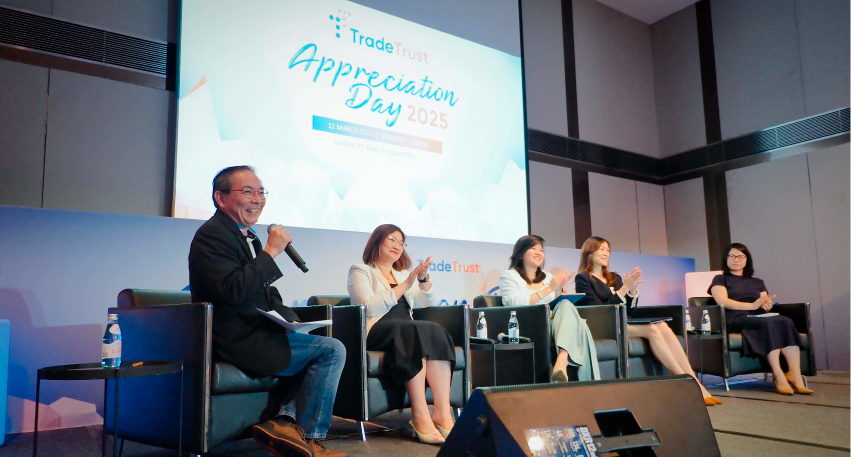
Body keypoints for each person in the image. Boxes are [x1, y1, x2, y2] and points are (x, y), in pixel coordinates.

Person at [188, 166, 347, 457]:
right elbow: (232, 291)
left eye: (261, 192)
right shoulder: (211, 235)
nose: (257, 199)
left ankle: (287, 425)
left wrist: (291, 321)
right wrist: (271, 252)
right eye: (247, 192)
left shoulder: (247, 236)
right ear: (220, 198)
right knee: (331, 350)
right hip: (234, 338)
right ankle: (304, 436)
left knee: (323, 344)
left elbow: (265, 292)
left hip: (258, 332)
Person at [574, 236, 720, 406]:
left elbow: (630, 310)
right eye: (601, 249)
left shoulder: (615, 278)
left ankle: (695, 381)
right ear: (589, 253)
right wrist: (624, 289)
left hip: (624, 321)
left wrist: (633, 291)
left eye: (607, 249)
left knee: (663, 326)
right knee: (651, 329)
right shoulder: (583, 279)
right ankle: (686, 382)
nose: (606, 253)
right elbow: (600, 311)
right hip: (605, 326)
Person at [347, 224, 455, 445]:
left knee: (435, 329)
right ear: (376, 242)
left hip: (406, 330)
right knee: (412, 330)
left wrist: (422, 279)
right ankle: (420, 414)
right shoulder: (361, 270)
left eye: (401, 242)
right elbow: (368, 306)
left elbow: (428, 303)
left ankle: (442, 413)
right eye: (391, 240)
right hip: (378, 330)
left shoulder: (402, 273)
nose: (398, 246)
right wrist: (406, 284)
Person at [709, 243, 813, 395]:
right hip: (735, 317)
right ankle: (777, 374)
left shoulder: (757, 282)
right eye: (731, 256)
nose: (735, 259)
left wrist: (766, 305)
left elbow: (764, 301)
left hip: (758, 316)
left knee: (785, 320)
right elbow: (723, 302)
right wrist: (751, 306)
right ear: (726, 259)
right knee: (769, 323)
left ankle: (794, 374)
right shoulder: (720, 279)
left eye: (740, 256)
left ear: (746, 260)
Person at [499, 235, 600, 382]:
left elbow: (554, 302)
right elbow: (514, 303)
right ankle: (565, 362)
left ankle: (562, 359)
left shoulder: (547, 277)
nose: (539, 253)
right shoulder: (509, 276)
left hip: (553, 323)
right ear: (520, 253)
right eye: (533, 248)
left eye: (541, 250)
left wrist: (558, 291)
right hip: (527, 324)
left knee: (566, 304)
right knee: (579, 326)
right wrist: (550, 289)